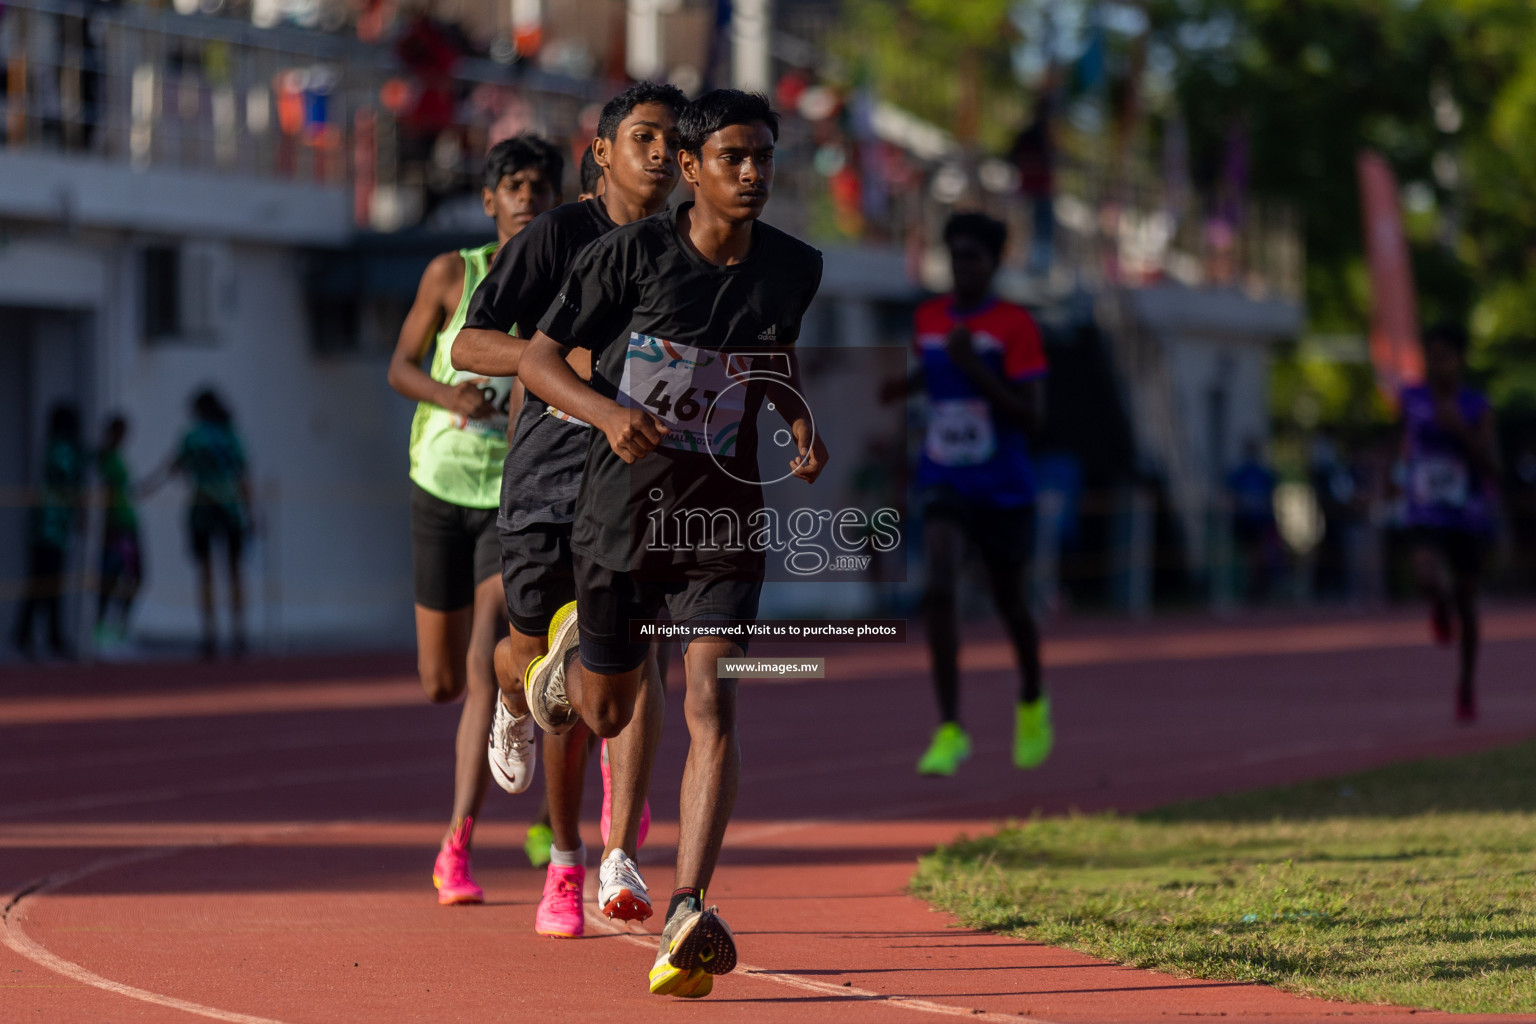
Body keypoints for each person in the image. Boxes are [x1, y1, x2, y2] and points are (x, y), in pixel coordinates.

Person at [518, 89, 826, 998]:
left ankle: (688, 906)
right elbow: (538, 361)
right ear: (690, 170)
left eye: (765, 157)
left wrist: (795, 421)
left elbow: (772, 354)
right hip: (622, 515)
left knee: (711, 700)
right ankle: (568, 660)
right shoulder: (630, 256)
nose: (752, 173)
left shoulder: (794, 267)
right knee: (610, 715)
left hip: (723, 519)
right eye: (733, 157)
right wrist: (610, 413)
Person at [453, 82, 687, 937]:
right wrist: (564, 362)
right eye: (645, 139)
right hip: (546, 479)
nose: (662, 156)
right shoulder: (558, 235)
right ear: (604, 151)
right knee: (529, 665)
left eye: (673, 142)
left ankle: (616, 851)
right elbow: (469, 344)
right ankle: (518, 719)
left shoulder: (688, 247)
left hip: (640, 485)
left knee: (636, 661)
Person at [386, 132, 562, 905]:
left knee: (490, 662)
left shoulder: (564, 286)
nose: (527, 198)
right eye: (514, 186)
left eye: (539, 187)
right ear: (489, 200)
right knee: (440, 680)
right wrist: (449, 394)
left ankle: (455, 845)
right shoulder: (452, 274)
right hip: (438, 485)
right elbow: (398, 367)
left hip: (508, 500)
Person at [892, 212, 1052, 778]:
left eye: (973, 258)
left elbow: (1032, 417)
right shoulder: (929, 318)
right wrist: (886, 385)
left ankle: (1032, 698)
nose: (962, 268)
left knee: (1010, 602)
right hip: (943, 477)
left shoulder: (1014, 326)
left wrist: (975, 368)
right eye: (954, 256)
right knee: (938, 583)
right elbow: (929, 375)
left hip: (1004, 489)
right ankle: (950, 729)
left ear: (995, 263)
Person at [1400, 322, 1500, 722]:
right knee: (1425, 574)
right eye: (1431, 358)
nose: (1436, 366)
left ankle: (1466, 684)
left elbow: (1494, 467)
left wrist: (1460, 430)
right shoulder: (1411, 398)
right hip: (1425, 507)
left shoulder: (1477, 406)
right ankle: (1438, 605)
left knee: (1468, 601)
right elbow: (1401, 442)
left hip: (1466, 513)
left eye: (1443, 358)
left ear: (1459, 361)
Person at [141, 389, 252, 658]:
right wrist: (251, 512)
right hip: (230, 507)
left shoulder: (193, 436)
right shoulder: (231, 435)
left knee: (206, 573)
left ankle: (210, 634)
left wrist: (147, 487)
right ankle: (238, 634)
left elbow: (174, 467)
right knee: (234, 571)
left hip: (203, 508)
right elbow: (243, 475)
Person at [12, 403, 84, 659]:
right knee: (46, 582)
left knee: (43, 582)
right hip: (50, 527)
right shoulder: (64, 449)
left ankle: (35, 634)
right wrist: (79, 511)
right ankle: (39, 635)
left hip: (46, 525)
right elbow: (68, 484)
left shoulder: (55, 447)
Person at [95, 415, 143, 649]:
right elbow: (103, 494)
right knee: (110, 579)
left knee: (134, 578)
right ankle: (103, 633)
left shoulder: (115, 458)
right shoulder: (104, 459)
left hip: (128, 524)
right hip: (116, 528)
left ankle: (120, 629)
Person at [1228, 438, 1278, 605]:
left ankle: (1257, 589)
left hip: (1260, 522)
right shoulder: (1240, 473)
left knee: (1259, 556)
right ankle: (1247, 589)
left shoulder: (1263, 474)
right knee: (1248, 556)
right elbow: (1231, 495)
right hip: (1244, 522)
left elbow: (1271, 496)